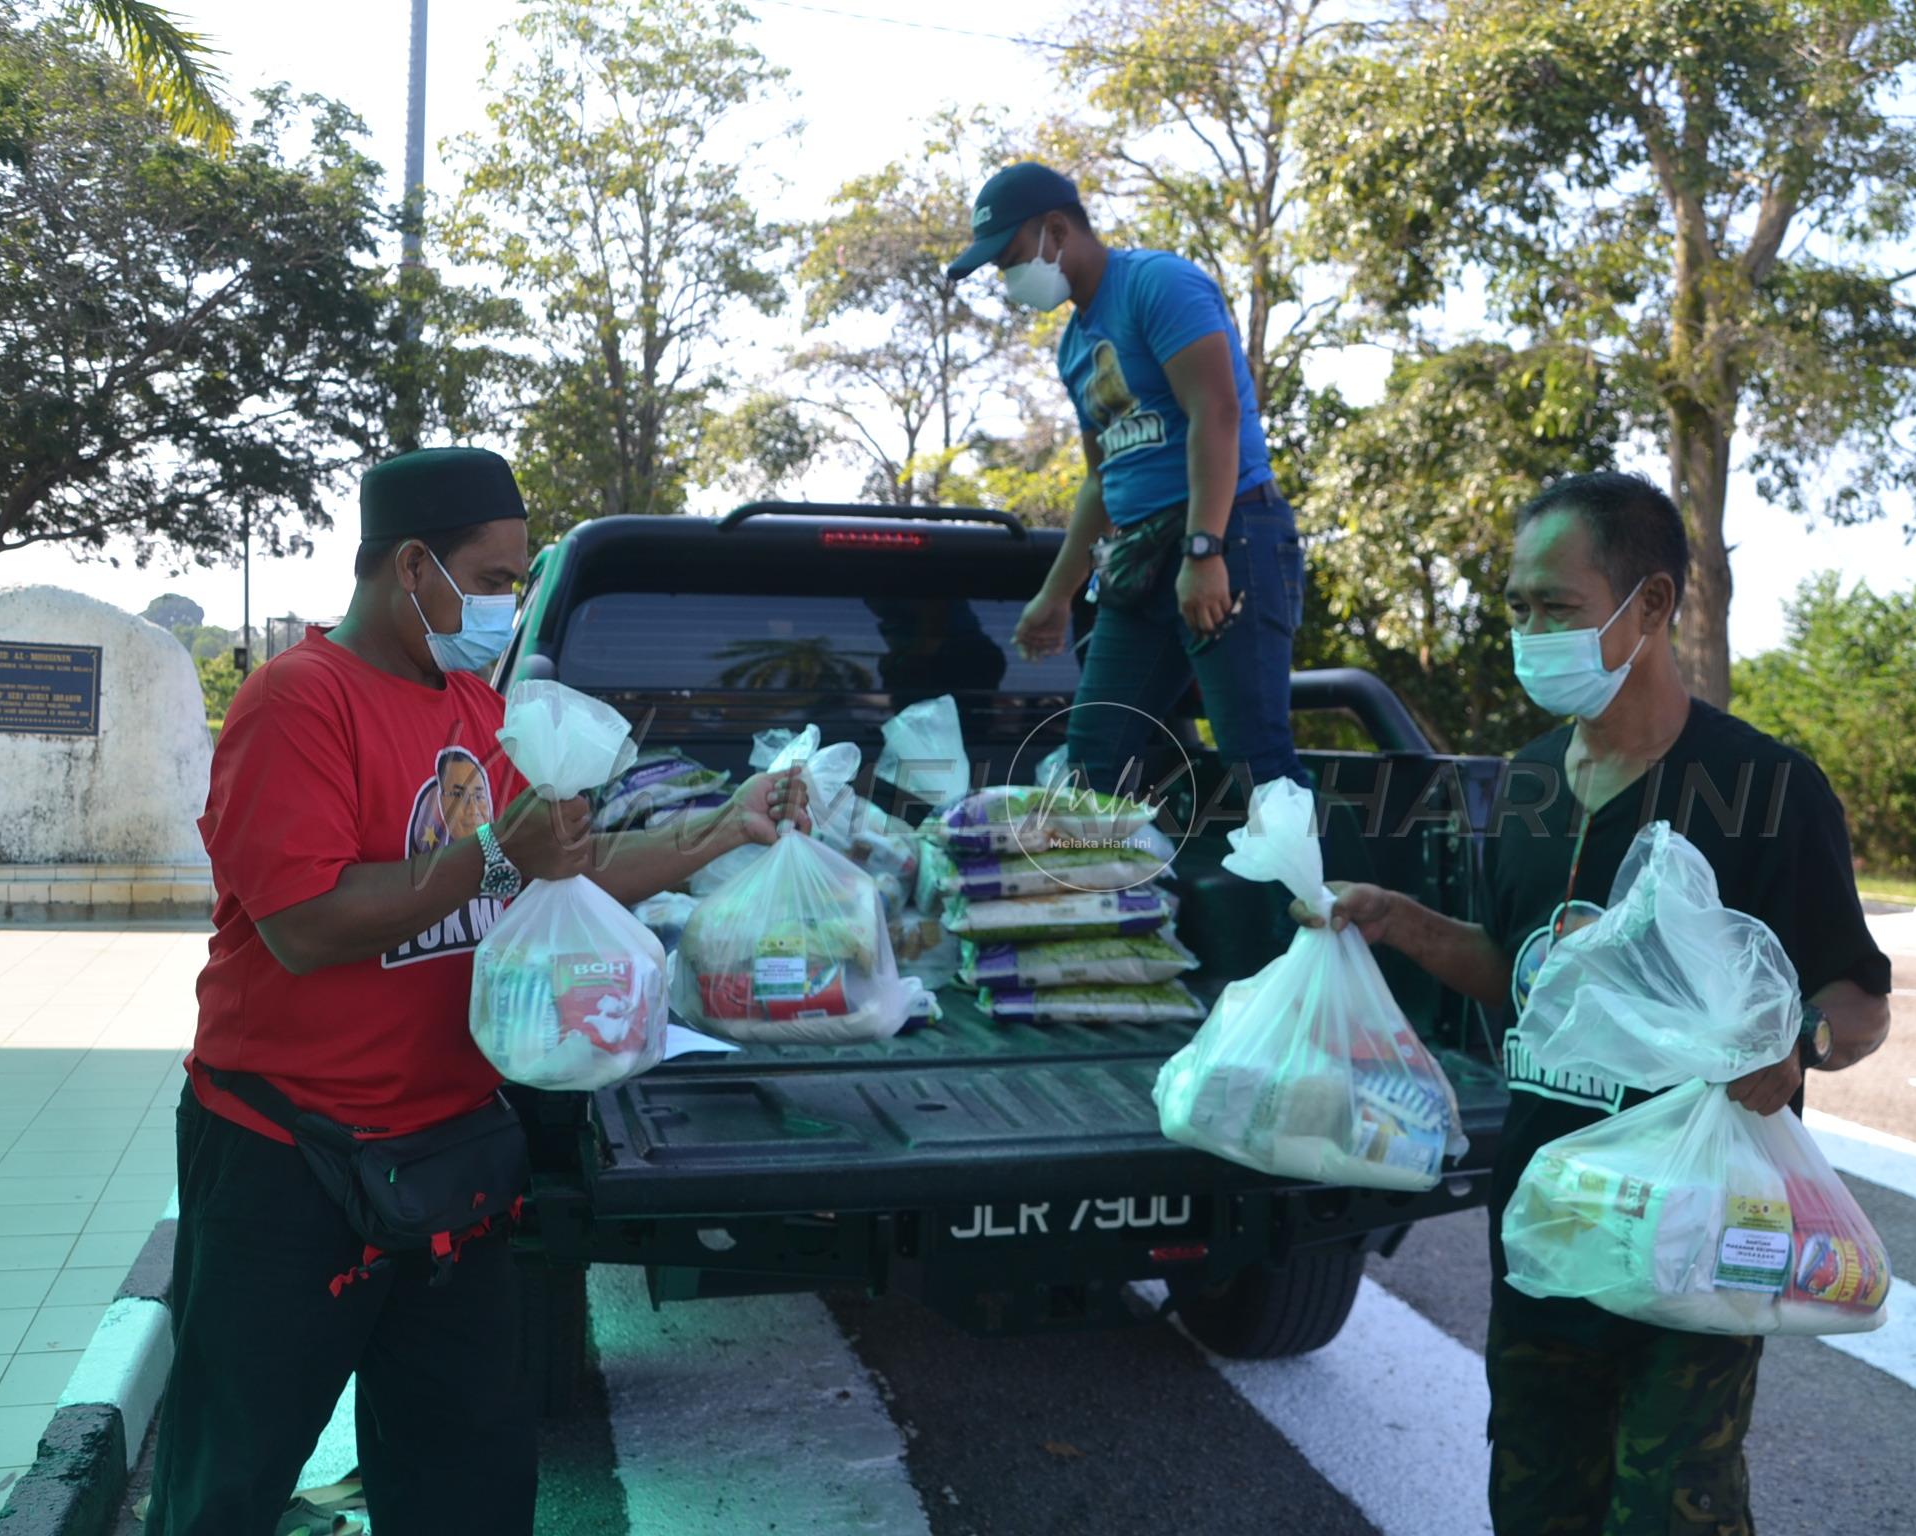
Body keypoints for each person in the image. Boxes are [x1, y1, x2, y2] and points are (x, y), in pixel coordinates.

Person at [147, 446, 808, 1536]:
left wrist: (724, 826)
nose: (507, 606)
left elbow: (567, 868)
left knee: (465, 1481)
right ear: (412, 566)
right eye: (495, 580)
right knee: (230, 1477)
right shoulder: (296, 702)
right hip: (286, 1162)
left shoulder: (471, 708)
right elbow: (304, 926)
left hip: (450, 1159)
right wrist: (497, 858)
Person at [1301, 472, 1893, 1535]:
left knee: (1672, 1509)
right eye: (1519, 606)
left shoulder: (1763, 788)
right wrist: (1404, 920)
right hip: (1547, 1221)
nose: (1530, 632)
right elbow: (1525, 976)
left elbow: (1859, 1003)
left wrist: (1799, 1042)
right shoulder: (1526, 783)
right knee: (1535, 1502)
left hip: (1701, 1233)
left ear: (1653, 606)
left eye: (1556, 608)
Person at [945, 162, 1308, 797]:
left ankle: (1339, 900)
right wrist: (1057, 595)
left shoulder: (1156, 284)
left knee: (1257, 760)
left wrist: (1205, 549)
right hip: (1139, 557)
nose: (1008, 279)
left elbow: (1216, 413)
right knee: (1092, 759)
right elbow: (1099, 483)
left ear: (1057, 229)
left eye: (1009, 258)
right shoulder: (1073, 346)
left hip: (1231, 535)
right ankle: (1087, 896)